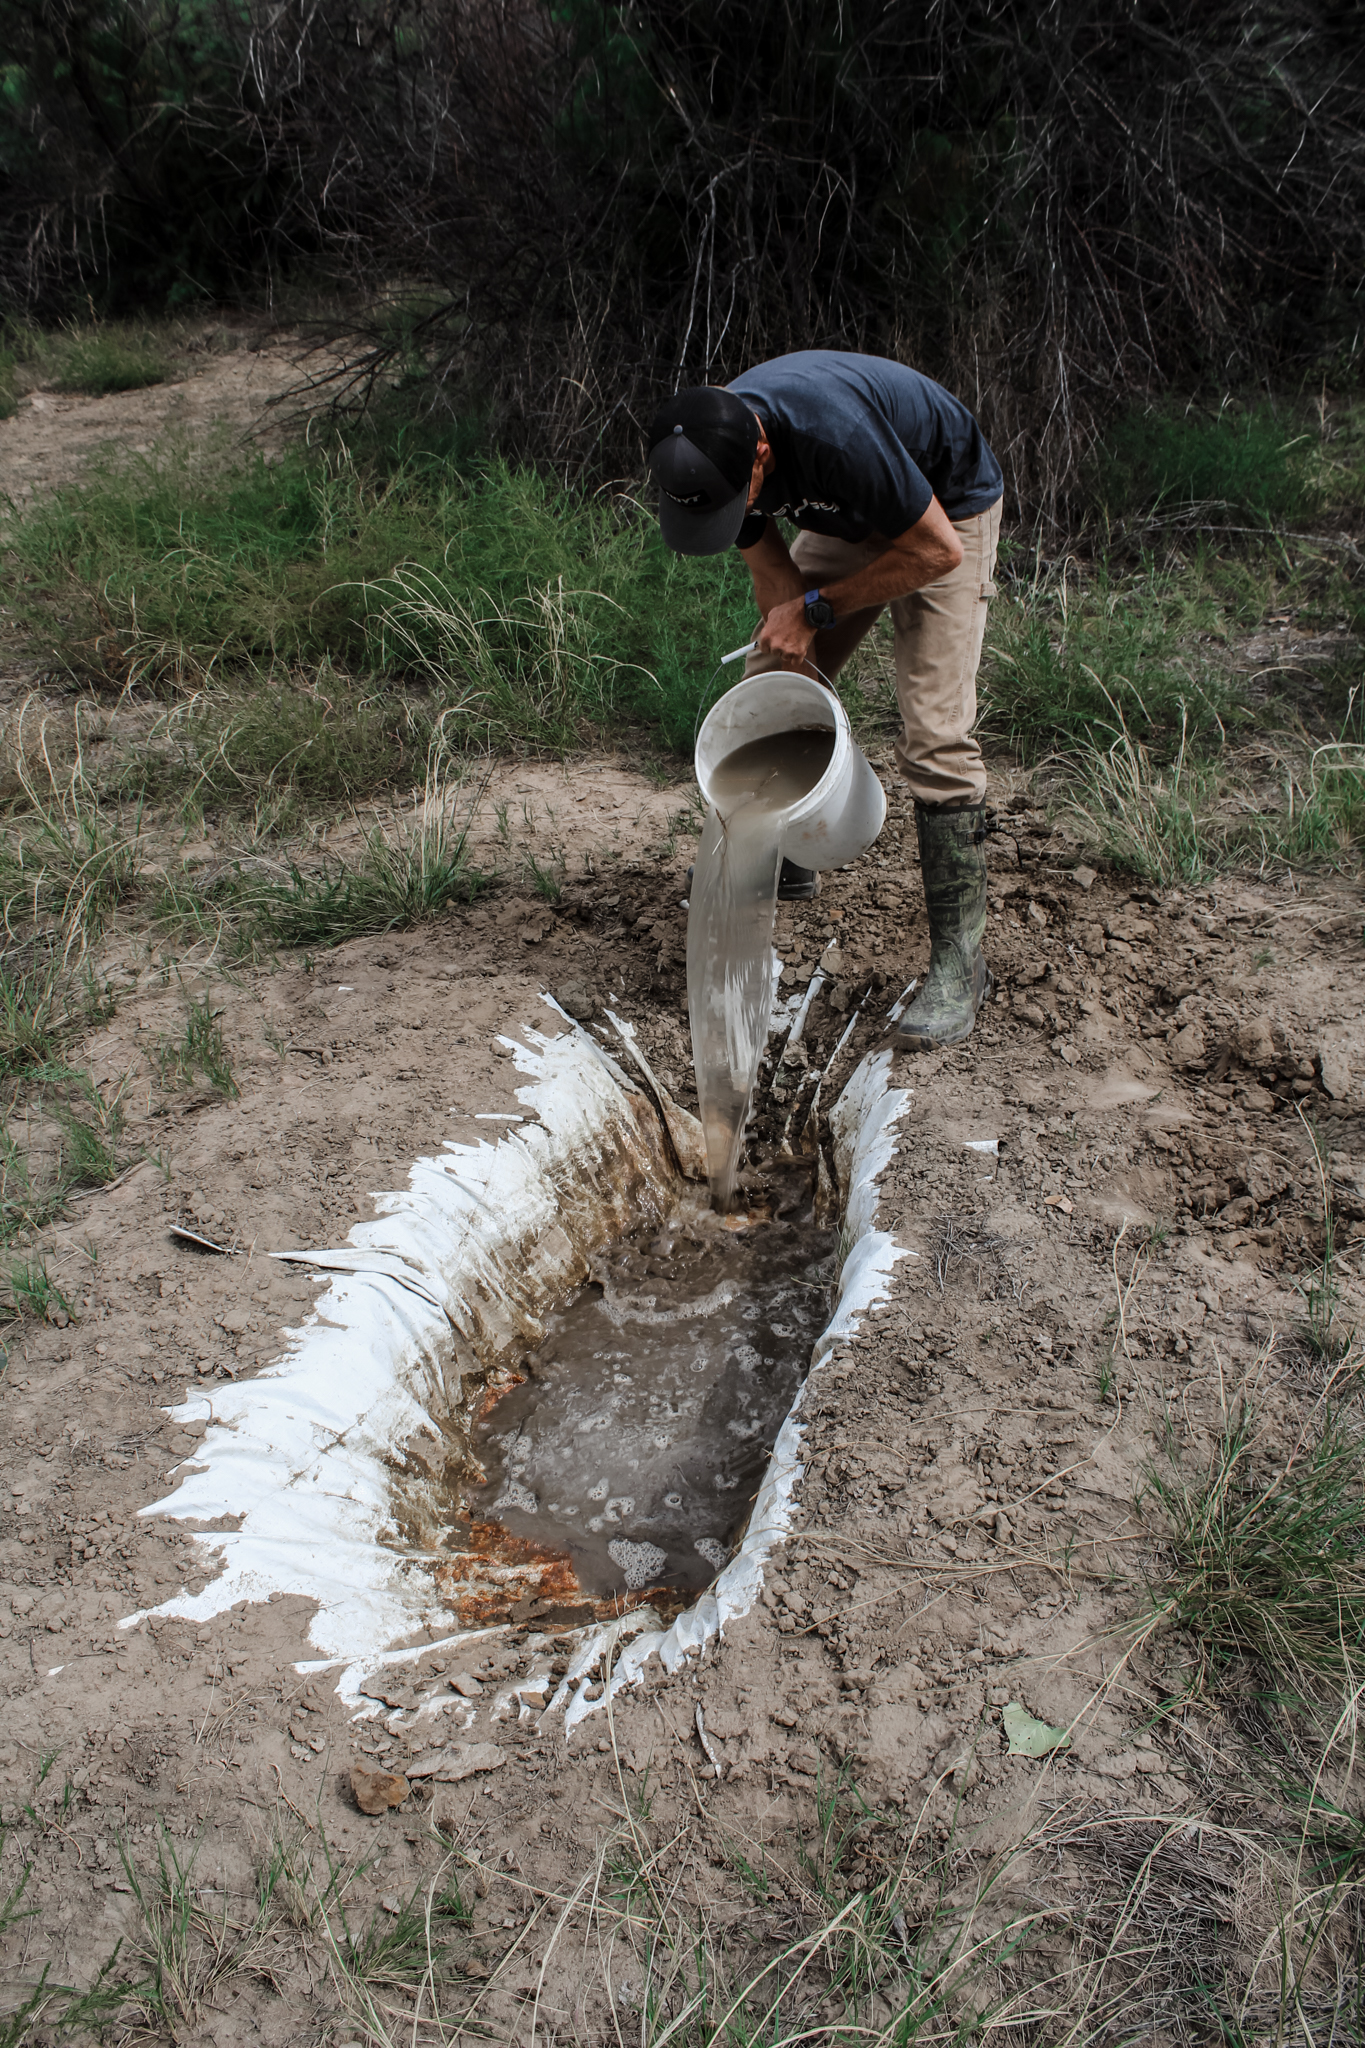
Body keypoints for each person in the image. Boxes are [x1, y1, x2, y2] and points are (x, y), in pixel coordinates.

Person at [646, 350, 1003, 1053]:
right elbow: (774, 576)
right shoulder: (713, 456)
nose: (733, 516)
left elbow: (933, 554)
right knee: (770, 677)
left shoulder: (834, 439)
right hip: (852, 517)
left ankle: (961, 968)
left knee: (934, 733)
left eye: (734, 502)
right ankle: (789, 849)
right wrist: (796, 629)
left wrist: (818, 608)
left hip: (941, 516)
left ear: (762, 454)